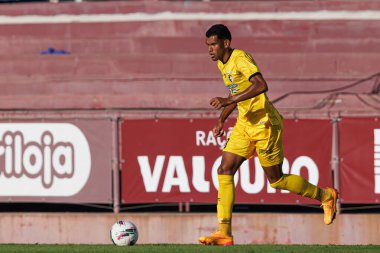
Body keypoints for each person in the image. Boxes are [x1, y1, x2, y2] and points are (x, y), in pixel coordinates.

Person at [198, 24, 338, 246]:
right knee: (224, 169)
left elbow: (261, 85)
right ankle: (224, 232)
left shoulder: (241, 58)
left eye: (213, 44)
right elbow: (235, 93)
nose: (210, 49)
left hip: (265, 124)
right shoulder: (222, 64)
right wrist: (222, 118)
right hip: (245, 123)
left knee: (277, 180)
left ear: (225, 43)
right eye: (207, 45)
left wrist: (229, 101)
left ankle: (325, 196)